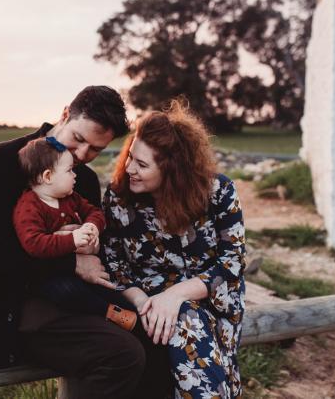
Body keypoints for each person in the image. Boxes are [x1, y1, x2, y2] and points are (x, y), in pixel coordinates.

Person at [0, 85, 172, 399]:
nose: (83, 155)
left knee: (152, 334)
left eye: (96, 150)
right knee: (123, 354)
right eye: (79, 139)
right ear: (64, 115)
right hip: (13, 306)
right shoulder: (4, 162)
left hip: (71, 298)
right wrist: (71, 261)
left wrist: (89, 247)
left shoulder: (82, 179)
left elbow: (96, 241)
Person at [102, 98, 246, 398]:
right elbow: (114, 265)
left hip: (210, 296)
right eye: (130, 156)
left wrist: (177, 295)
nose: (129, 168)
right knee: (181, 323)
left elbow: (232, 263)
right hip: (147, 296)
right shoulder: (119, 198)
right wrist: (144, 302)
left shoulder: (218, 192)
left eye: (142, 164)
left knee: (185, 320)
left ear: (173, 169)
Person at [13, 136, 137, 331]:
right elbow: (34, 243)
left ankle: (127, 313)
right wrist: (72, 240)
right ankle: (107, 313)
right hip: (54, 274)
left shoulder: (71, 198)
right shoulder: (29, 206)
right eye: (69, 170)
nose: (75, 175)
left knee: (104, 285)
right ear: (47, 176)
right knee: (67, 291)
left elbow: (95, 212)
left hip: (85, 269)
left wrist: (92, 226)